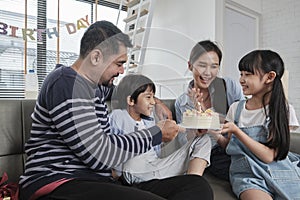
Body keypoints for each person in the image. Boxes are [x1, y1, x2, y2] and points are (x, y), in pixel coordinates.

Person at [19, 20, 214, 200]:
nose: (122, 71)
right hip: (58, 183)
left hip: (98, 183)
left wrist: (155, 100)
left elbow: (128, 92)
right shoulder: (66, 83)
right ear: (96, 57)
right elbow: (99, 154)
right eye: (119, 64)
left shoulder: (96, 87)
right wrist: (156, 134)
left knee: (197, 186)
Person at [214, 50, 300, 199]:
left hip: (279, 172)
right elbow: (229, 147)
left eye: (248, 74)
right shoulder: (236, 108)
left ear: (270, 77)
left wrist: (237, 132)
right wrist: (212, 132)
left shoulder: (282, 110)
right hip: (248, 177)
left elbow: (269, 156)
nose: (241, 79)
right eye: (241, 74)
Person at [109, 74, 212, 184]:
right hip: (133, 168)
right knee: (134, 158)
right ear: (131, 100)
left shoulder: (149, 120)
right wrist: (118, 173)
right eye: (148, 97)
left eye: (153, 97)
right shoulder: (118, 116)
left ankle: (192, 183)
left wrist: (195, 126)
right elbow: (113, 148)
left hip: (154, 167)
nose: (153, 102)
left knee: (204, 139)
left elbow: (157, 147)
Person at [175, 40, 244, 180]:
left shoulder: (228, 87)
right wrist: (196, 123)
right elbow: (184, 142)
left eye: (214, 66)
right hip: (212, 154)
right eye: (202, 65)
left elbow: (244, 120)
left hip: (237, 145)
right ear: (190, 65)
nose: (208, 73)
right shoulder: (182, 103)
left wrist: (209, 115)